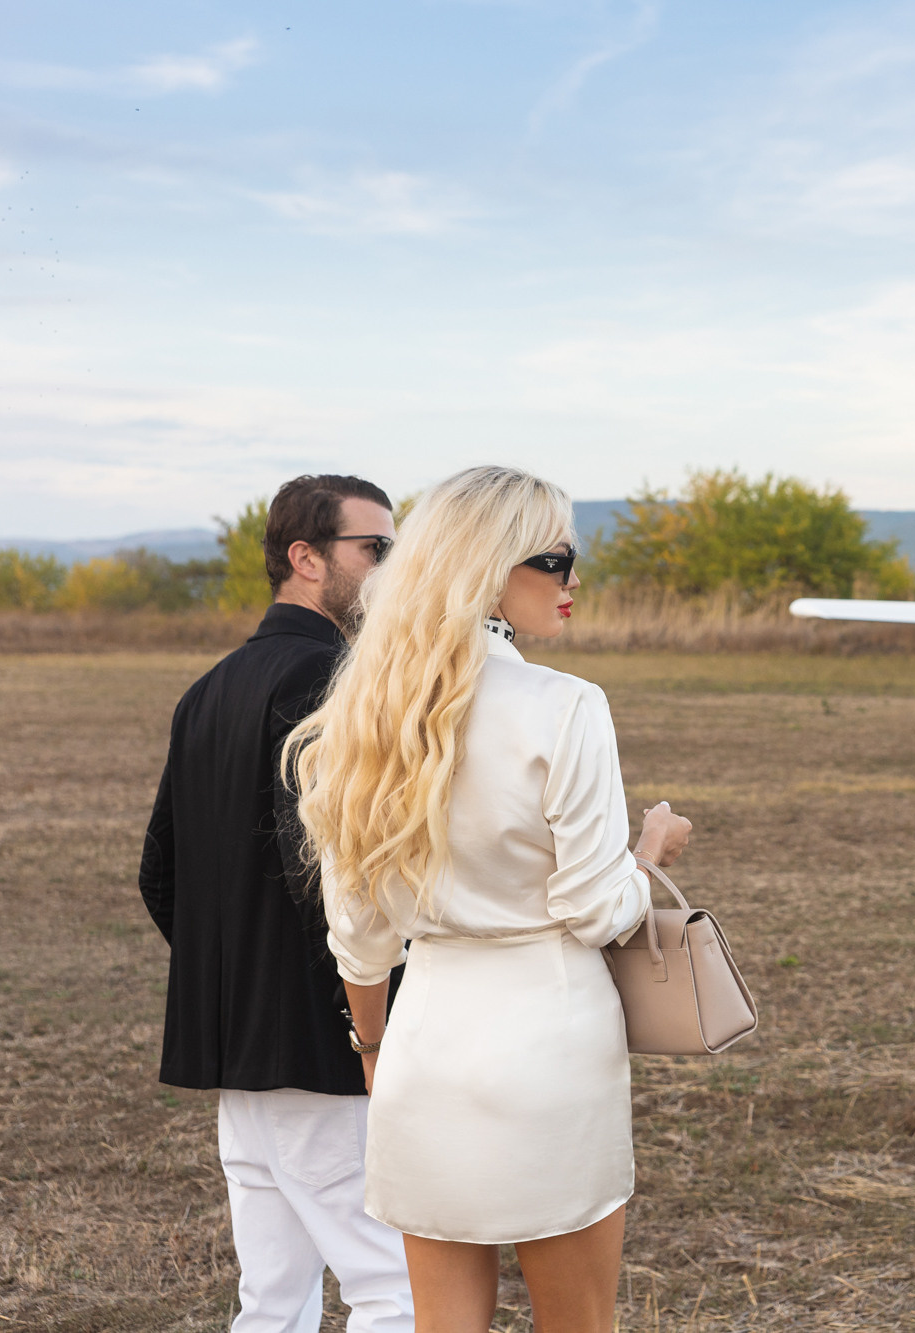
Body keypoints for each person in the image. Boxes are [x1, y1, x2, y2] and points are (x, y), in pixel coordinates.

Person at [284, 465, 692, 1333]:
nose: (573, 577)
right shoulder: (566, 706)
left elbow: (356, 934)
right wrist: (648, 854)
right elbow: (595, 906)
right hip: (551, 1050)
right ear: (492, 565)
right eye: (556, 557)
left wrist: (373, 1047)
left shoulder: (369, 710)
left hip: (425, 1050)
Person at [139, 474, 414, 1333]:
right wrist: (360, 1014)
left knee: (272, 1301)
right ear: (306, 558)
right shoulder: (338, 679)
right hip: (326, 1050)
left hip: (239, 1054)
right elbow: (338, 882)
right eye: (376, 550)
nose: (393, 570)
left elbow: (161, 876)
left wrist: (236, 984)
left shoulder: (207, 689)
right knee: (396, 1289)